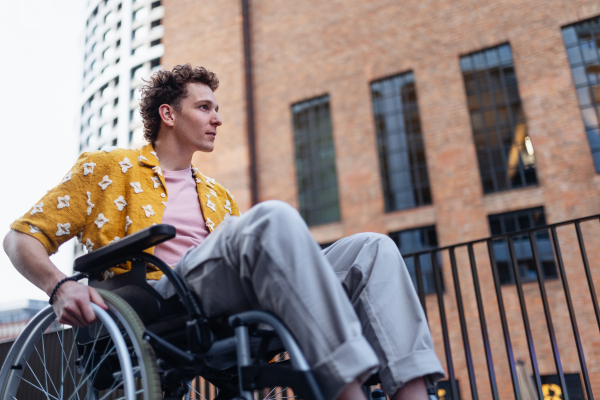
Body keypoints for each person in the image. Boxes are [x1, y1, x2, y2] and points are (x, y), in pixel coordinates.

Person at [3, 64, 444, 400]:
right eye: (204, 107)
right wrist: (59, 286)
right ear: (168, 114)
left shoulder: (217, 194)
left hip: (225, 294)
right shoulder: (108, 168)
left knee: (372, 248)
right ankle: (346, 391)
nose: (217, 118)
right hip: (158, 294)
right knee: (270, 218)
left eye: (217, 109)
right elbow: (20, 237)